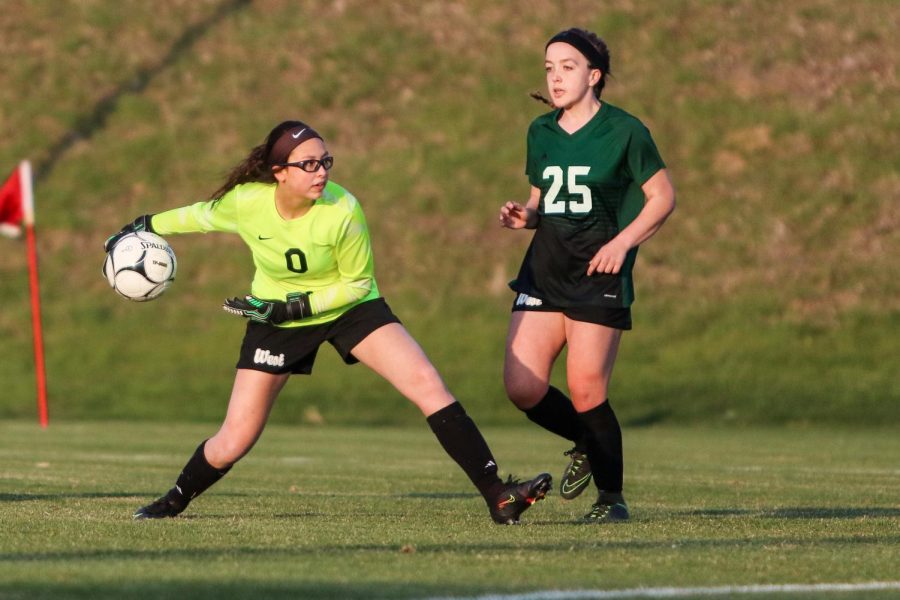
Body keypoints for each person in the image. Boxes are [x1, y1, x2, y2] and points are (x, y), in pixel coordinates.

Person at [108, 120, 551, 524]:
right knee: (236, 437)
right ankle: (175, 500)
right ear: (280, 171)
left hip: (346, 309)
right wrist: (141, 225)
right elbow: (199, 216)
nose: (321, 172)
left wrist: (294, 307)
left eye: (326, 162)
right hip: (273, 319)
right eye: (309, 164)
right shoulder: (247, 203)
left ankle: (498, 495)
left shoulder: (343, 209)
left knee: (426, 382)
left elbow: (358, 285)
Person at [498, 28, 675, 523]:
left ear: (594, 76)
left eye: (568, 67)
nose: (556, 77)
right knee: (522, 387)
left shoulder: (626, 131)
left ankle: (611, 499)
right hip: (544, 272)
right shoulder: (541, 130)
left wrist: (622, 243)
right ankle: (585, 440)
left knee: (586, 389)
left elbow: (663, 198)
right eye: (550, 67)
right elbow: (541, 201)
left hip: (598, 275)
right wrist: (524, 217)